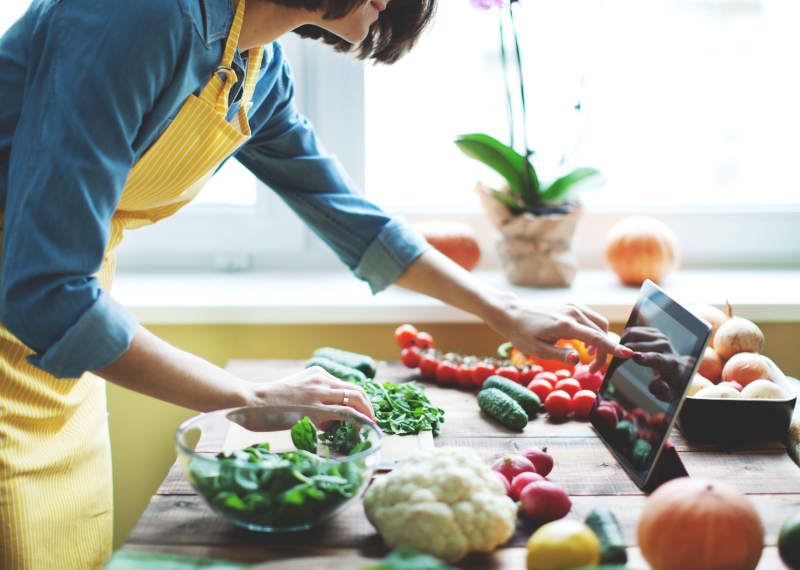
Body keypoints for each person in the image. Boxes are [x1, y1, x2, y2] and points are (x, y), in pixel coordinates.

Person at [0, 0, 632, 567]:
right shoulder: (136, 16)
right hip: (39, 309)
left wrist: (503, 308)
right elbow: (47, 290)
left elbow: (351, 219)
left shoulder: (252, 66)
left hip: (58, 355)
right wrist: (251, 396)